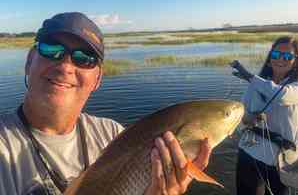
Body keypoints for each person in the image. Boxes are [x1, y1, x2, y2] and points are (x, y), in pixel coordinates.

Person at [0, 12, 212, 195]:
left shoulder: (113, 135)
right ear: (29, 61)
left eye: (84, 58)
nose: (65, 66)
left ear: (97, 79)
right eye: (51, 49)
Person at [230, 36, 298, 195]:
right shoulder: (256, 85)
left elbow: (281, 95)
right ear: (270, 57)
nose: (281, 59)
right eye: (276, 55)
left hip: (282, 161)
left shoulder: (297, 85)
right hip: (249, 153)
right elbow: (241, 115)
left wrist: (249, 76)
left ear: (296, 61)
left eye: (288, 56)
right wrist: (249, 119)